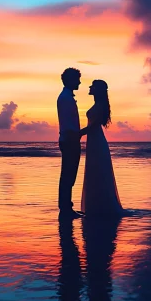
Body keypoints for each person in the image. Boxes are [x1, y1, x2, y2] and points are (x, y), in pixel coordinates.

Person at [80, 79, 124, 216]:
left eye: (92, 86)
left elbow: (94, 126)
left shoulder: (100, 105)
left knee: (98, 172)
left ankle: (100, 207)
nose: (89, 87)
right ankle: (96, 206)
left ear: (97, 90)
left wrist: (79, 133)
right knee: (95, 172)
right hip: (94, 141)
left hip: (97, 141)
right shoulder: (98, 104)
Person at [57, 68, 86, 218]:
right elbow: (69, 125)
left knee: (68, 175)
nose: (79, 82)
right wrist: (80, 134)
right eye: (77, 79)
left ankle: (66, 207)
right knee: (68, 175)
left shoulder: (66, 97)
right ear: (69, 80)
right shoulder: (66, 98)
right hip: (70, 140)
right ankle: (65, 209)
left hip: (69, 139)